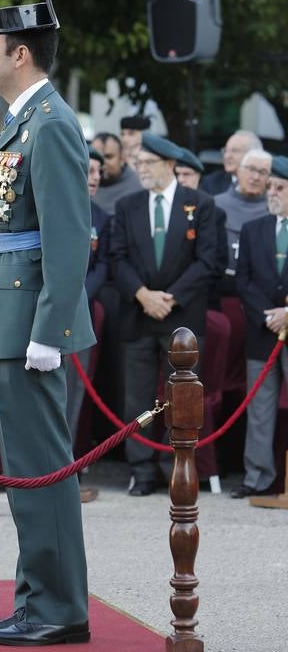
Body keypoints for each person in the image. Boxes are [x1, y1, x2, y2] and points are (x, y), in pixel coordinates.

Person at [0, 0, 93, 647]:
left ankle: (60, 609)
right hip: (9, 317)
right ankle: (35, 599)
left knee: (42, 470)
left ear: (21, 53)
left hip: (29, 325)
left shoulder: (49, 123)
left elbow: (68, 237)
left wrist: (48, 332)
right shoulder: (28, 121)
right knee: (24, 474)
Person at [111, 132, 217, 496]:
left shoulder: (200, 204)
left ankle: (178, 467)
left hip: (182, 318)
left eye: (148, 164)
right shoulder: (128, 205)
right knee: (137, 398)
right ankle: (141, 471)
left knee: (182, 398)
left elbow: (208, 261)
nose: (141, 169)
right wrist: (143, 295)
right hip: (139, 316)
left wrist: (169, 298)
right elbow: (117, 257)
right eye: (138, 163)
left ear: (170, 165)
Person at [234, 156, 288, 498]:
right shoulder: (254, 228)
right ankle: (257, 478)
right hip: (262, 331)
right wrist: (270, 316)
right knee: (259, 408)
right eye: (271, 186)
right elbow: (244, 280)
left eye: (280, 187)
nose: (272, 192)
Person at [65, 146, 110, 470]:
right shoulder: (57, 205)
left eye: (98, 172)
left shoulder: (103, 217)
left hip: (82, 308)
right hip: (47, 306)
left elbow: (103, 265)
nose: (94, 178)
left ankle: (66, 461)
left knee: (75, 388)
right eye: (89, 170)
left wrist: (77, 294)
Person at [174, 146, 228, 307]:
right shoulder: (162, 211)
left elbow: (218, 263)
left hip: (200, 297)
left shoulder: (213, 212)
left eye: (187, 174)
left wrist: (183, 290)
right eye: (177, 174)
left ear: (199, 177)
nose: (181, 179)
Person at [214, 147, 271, 293]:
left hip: (261, 291)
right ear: (238, 171)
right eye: (251, 169)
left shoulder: (274, 211)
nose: (256, 177)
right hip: (218, 287)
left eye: (263, 172)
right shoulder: (215, 205)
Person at [92, 132, 141, 216]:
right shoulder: (83, 186)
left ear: (122, 158)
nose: (103, 162)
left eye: (108, 157)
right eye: (97, 157)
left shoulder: (138, 185)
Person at [200, 129, 262, 196]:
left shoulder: (269, 183)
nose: (227, 156)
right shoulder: (211, 183)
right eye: (225, 150)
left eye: (234, 151)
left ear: (253, 154)